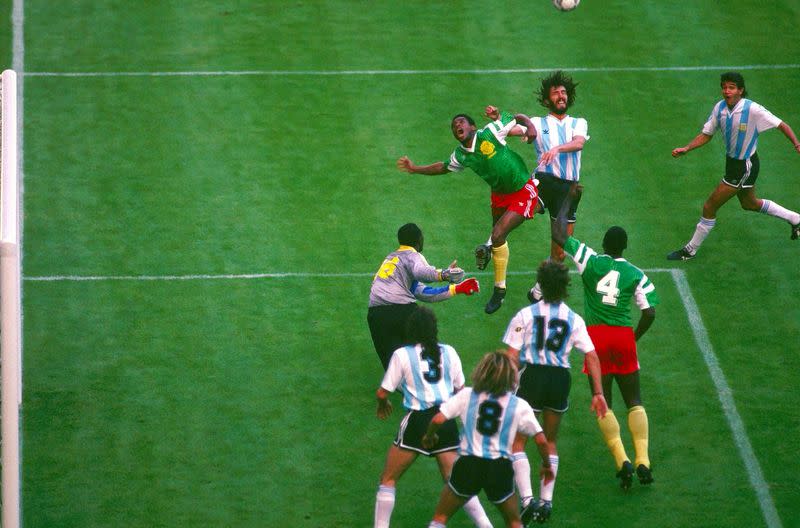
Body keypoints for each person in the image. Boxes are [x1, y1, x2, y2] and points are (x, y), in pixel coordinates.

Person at [551, 184, 660, 490]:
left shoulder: (591, 260)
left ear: (604, 243)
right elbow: (650, 312)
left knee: (604, 402)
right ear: (625, 247)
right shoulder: (637, 273)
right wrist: (633, 338)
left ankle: (621, 460)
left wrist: (568, 202)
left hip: (595, 339)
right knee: (634, 401)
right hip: (623, 336)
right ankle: (643, 460)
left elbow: (559, 235)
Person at [397, 109, 539, 315]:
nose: (457, 127)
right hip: (499, 194)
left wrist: (531, 126)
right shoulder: (462, 155)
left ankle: (499, 290)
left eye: (461, 122)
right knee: (497, 235)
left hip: (521, 189)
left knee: (498, 234)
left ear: (473, 126)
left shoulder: (489, 133)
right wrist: (415, 168)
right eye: (454, 126)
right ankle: (491, 248)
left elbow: (517, 116)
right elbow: (443, 167)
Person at [502, 260, 608, 524]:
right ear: (564, 287)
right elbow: (592, 356)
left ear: (541, 284)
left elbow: (511, 356)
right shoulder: (574, 319)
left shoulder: (525, 315)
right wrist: (598, 393)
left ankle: (527, 499)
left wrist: (506, 388)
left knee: (518, 442)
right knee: (550, 440)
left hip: (533, 377)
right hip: (559, 379)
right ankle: (546, 501)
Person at [374, 307, 493, 528]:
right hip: (445, 420)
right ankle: (486, 526)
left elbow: (383, 392)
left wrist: (384, 403)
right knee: (456, 482)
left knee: (388, 479)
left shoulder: (402, 354)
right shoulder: (449, 352)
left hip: (417, 421)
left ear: (410, 330)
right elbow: (460, 390)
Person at [667, 71, 800, 260]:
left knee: (709, 206)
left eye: (731, 87)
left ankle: (690, 250)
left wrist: (796, 143)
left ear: (740, 90)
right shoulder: (719, 108)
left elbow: (781, 124)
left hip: (744, 166)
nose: (726, 91)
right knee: (749, 203)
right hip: (732, 164)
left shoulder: (753, 110)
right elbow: (707, 134)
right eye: (724, 87)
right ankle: (795, 218)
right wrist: (687, 148)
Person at [421, 352, 553, 528]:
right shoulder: (519, 405)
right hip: (499, 468)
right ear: (511, 377)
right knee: (514, 521)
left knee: (441, 517)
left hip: (468, 464)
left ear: (482, 371)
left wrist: (429, 436)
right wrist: (546, 465)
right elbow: (542, 441)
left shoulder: (467, 395)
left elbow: (438, 419)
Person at [368, 223, 480, 370]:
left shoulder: (391, 259)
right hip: (403, 311)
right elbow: (421, 272)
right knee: (423, 356)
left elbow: (424, 293)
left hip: (376, 316)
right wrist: (443, 274)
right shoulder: (412, 256)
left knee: (394, 369)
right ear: (418, 241)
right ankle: (436, 383)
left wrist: (457, 289)